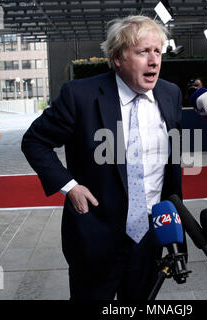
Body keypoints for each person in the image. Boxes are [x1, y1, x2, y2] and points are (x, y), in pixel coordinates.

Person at [21, 15, 184, 300]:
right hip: (95, 236)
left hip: (149, 238)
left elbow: (173, 160)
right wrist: (70, 186)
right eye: (143, 51)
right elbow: (35, 141)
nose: (154, 60)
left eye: (157, 51)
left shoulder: (170, 94)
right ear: (118, 58)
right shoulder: (80, 95)